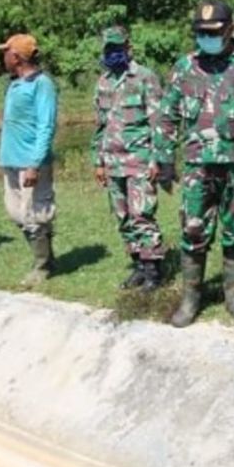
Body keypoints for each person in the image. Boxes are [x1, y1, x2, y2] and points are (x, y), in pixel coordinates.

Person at [156, 0, 234, 327]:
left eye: (213, 31)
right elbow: (167, 115)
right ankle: (191, 297)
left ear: (231, 29)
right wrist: (165, 158)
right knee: (193, 228)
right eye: (200, 32)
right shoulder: (185, 66)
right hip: (199, 164)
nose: (206, 37)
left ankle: (233, 294)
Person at [91, 25, 166, 292]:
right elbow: (100, 125)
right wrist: (98, 161)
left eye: (118, 48)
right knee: (122, 216)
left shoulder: (145, 77)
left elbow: (159, 122)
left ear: (128, 48)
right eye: (109, 49)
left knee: (142, 214)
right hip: (112, 162)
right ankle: (138, 265)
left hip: (140, 160)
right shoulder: (103, 82)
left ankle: (153, 270)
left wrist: (158, 158)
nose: (113, 53)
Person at [0, 33, 59, 286]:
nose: (3, 57)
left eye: (6, 52)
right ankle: (46, 257)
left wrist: (35, 163)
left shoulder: (42, 84)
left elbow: (46, 125)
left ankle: (42, 266)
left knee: (34, 213)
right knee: (16, 212)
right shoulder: (15, 83)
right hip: (11, 160)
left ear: (17, 56)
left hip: (31, 162)